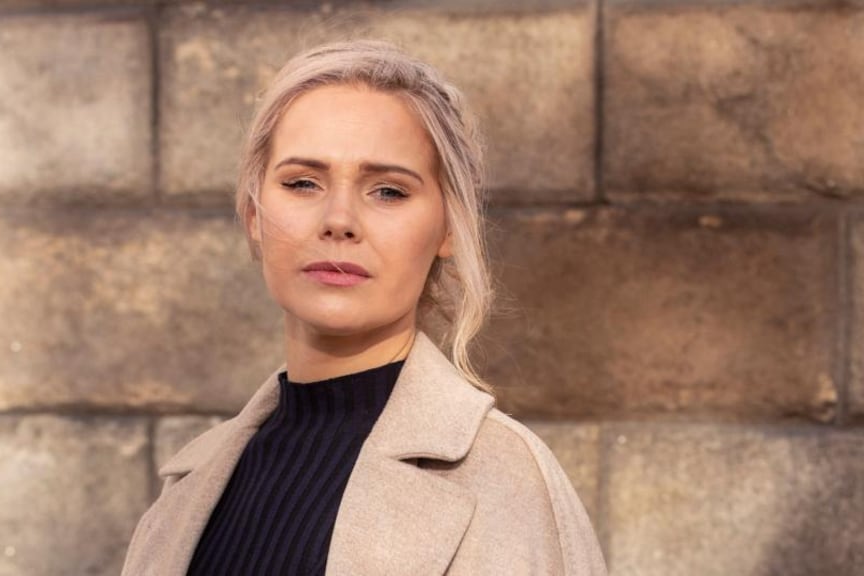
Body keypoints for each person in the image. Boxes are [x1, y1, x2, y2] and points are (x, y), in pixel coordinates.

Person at [121, 39, 608, 575]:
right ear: (253, 213)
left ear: (448, 227)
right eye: (302, 183)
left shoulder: (509, 479)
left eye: (389, 191)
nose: (339, 219)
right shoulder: (187, 493)